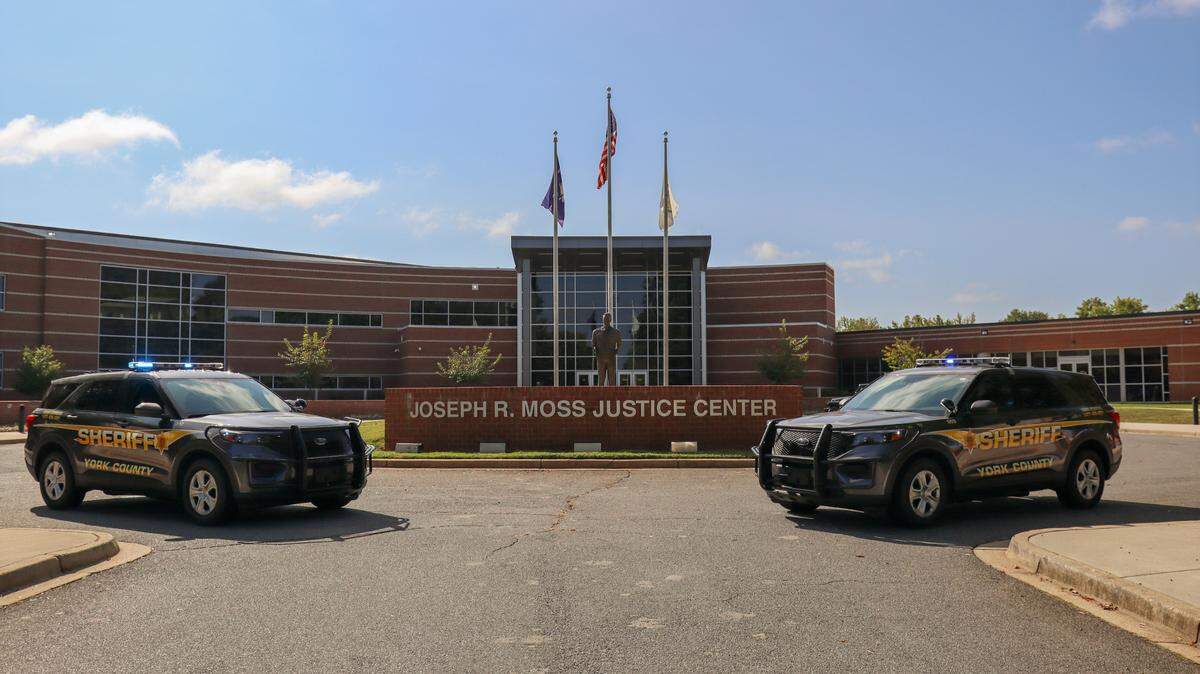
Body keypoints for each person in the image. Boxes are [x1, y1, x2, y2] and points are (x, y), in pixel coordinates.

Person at [591, 312, 622, 386]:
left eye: (608, 319)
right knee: (601, 380)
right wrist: (595, 351)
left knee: (612, 380)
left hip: (611, 359)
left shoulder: (616, 332)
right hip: (600, 359)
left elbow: (619, 344)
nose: (606, 320)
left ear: (610, 320)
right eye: (605, 319)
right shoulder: (596, 332)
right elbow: (593, 344)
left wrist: (615, 352)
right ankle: (599, 397)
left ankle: (612, 397)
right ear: (602, 320)